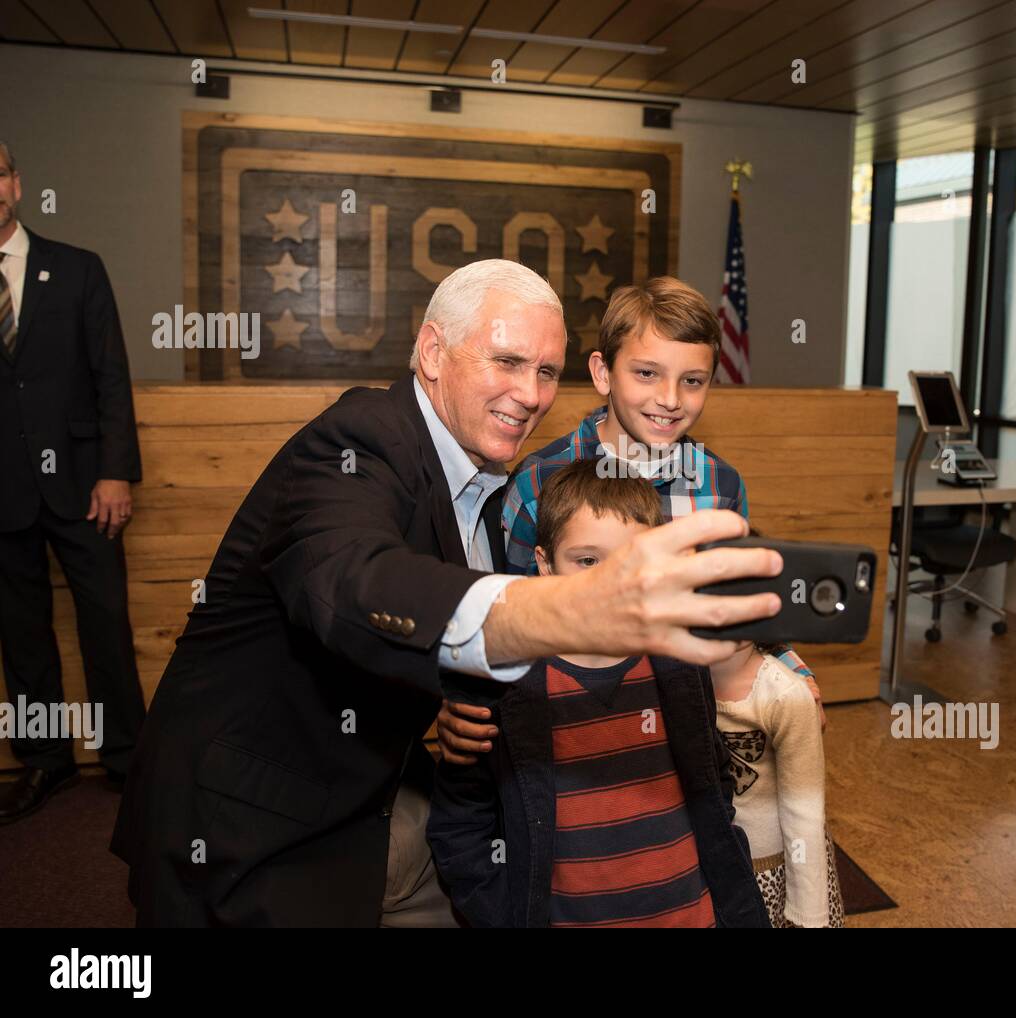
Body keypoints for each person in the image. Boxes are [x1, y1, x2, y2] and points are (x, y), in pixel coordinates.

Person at [110, 259, 782, 926]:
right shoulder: (361, 440)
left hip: (384, 795)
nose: (530, 393)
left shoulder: (488, 481)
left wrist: (453, 700)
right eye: (507, 361)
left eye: (546, 372)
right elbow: (354, 580)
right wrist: (573, 610)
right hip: (249, 821)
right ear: (433, 353)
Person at [437, 277, 822, 765]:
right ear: (603, 373)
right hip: (566, 727)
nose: (670, 399)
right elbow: (507, 616)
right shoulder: (536, 482)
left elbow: (737, 605)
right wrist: (467, 698)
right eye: (646, 373)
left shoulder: (721, 486)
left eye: (692, 380)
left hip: (680, 728)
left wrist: (787, 667)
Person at [427, 458, 769, 927]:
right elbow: (460, 825)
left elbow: (713, 780)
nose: (611, 583)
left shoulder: (680, 664)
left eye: (628, 562)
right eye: (587, 561)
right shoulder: (503, 683)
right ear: (544, 565)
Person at [0, 140, 145, 823]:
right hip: (3, 491)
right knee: (22, 634)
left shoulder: (77, 268)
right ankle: (46, 763)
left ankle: (129, 759)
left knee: (107, 626)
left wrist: (116, 470)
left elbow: (111, 375)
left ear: (17, 183)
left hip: (86, 485)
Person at [711, 635, 844, 928]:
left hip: (778, 868)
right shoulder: (683, 680)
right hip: (718, 861)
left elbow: (803, 810)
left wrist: (808, 915)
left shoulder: (784, 695)